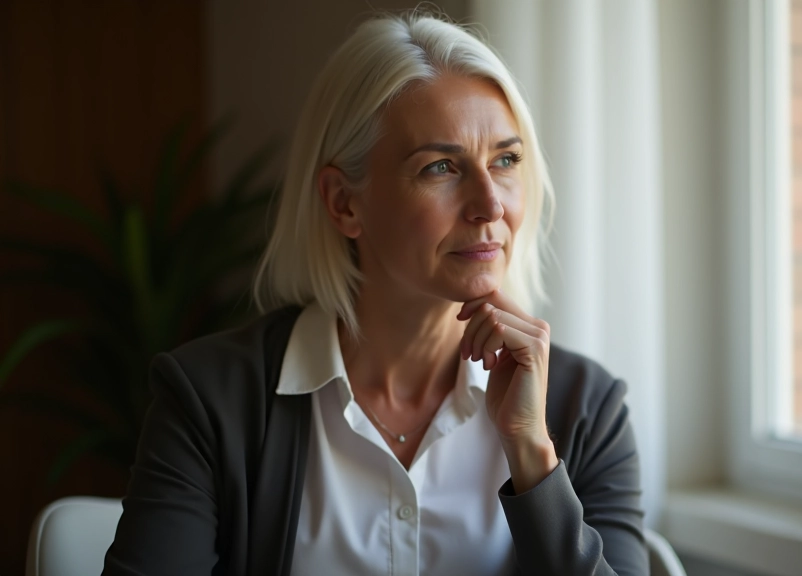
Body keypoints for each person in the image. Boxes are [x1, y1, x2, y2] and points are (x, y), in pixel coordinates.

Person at [103, 10, 646, 576]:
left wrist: (532, 451)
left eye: (505, 160)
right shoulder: (211, 402)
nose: (491, 204)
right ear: (344, 203)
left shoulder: (587, 409)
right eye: (441, 167)